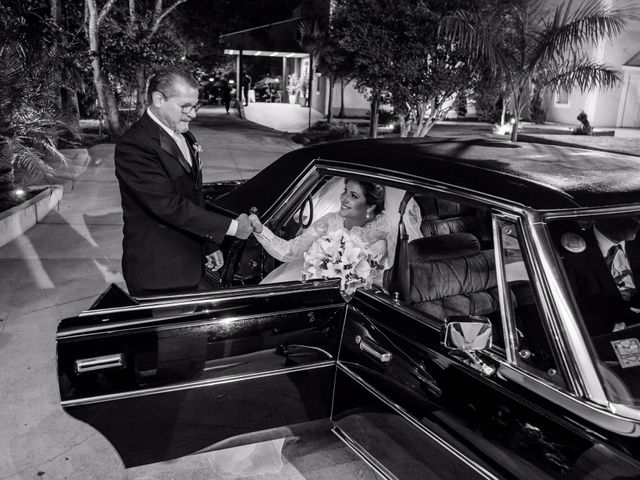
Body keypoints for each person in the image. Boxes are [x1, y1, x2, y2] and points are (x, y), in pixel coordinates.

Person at [115, 66, 252, 297]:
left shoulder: (185, 136)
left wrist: (208, 245)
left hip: (188, 264)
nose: (193, 114)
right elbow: (168, 206)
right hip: (159, 273)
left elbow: (193, 196)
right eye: (185, 107)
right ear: (158, 99)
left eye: (194, 106)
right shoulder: (135, 145)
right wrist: (234, 228)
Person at [248, 179, 390, 285]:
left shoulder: (386, 231)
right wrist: (261, 231)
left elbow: (389, 280)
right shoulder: (330, 220)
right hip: (312, 283)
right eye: (345, 191)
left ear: (370, 206)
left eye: (353, 195)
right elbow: (291, 250)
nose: (344, 198)